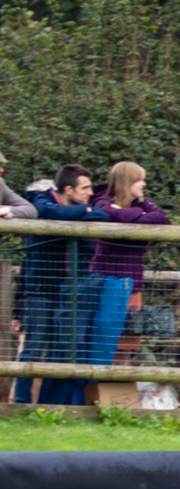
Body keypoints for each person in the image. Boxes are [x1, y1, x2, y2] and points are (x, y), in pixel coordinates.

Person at [15, 165, 109, 404]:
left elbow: (102, 215)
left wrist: (78, 211)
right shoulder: (40, 201)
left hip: (68, 290)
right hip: (40, 289)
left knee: (62, 350)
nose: (90, 193)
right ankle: (21, 402)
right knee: (34, 346)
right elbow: (49, 212)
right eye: (85, 188)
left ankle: (52, 404)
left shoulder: (67, 207)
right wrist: (83, 211)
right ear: (68, 189)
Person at [86, 161, 168, 375]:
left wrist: (135, 211)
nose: (144, 184)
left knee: (127, 344)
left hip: (134, 284)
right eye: (140, 180)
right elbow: (110, 215)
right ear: (128, 181)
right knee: (103, 337)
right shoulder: (102, 201)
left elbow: (161, 218)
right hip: (106, 281)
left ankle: (120, 392)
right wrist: (139, 216)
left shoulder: (142, 204)